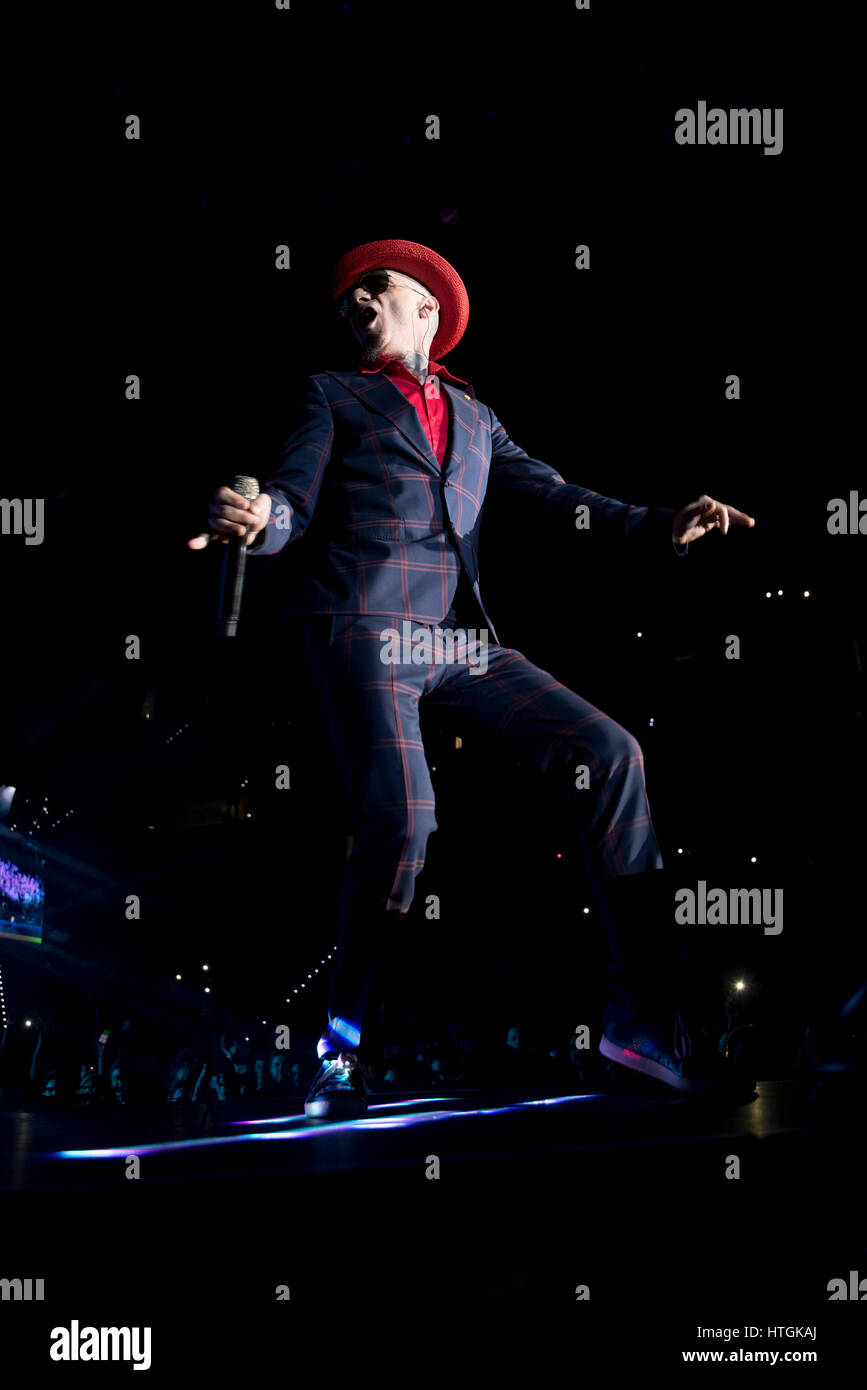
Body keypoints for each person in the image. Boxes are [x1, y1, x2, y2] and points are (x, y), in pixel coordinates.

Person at [188, 238, 757, 1120]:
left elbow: (557, 495)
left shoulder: (476, 417)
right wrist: (261, 520)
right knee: (404, 822)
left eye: (374, 286)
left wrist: (658, 526)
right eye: (346, 298)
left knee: (610, 752)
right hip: (365, 624)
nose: (356, 300)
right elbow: (292, 498)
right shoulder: (332, 393)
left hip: (456, 638)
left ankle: (639, 1024)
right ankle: (341, 1052)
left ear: (428, 309)